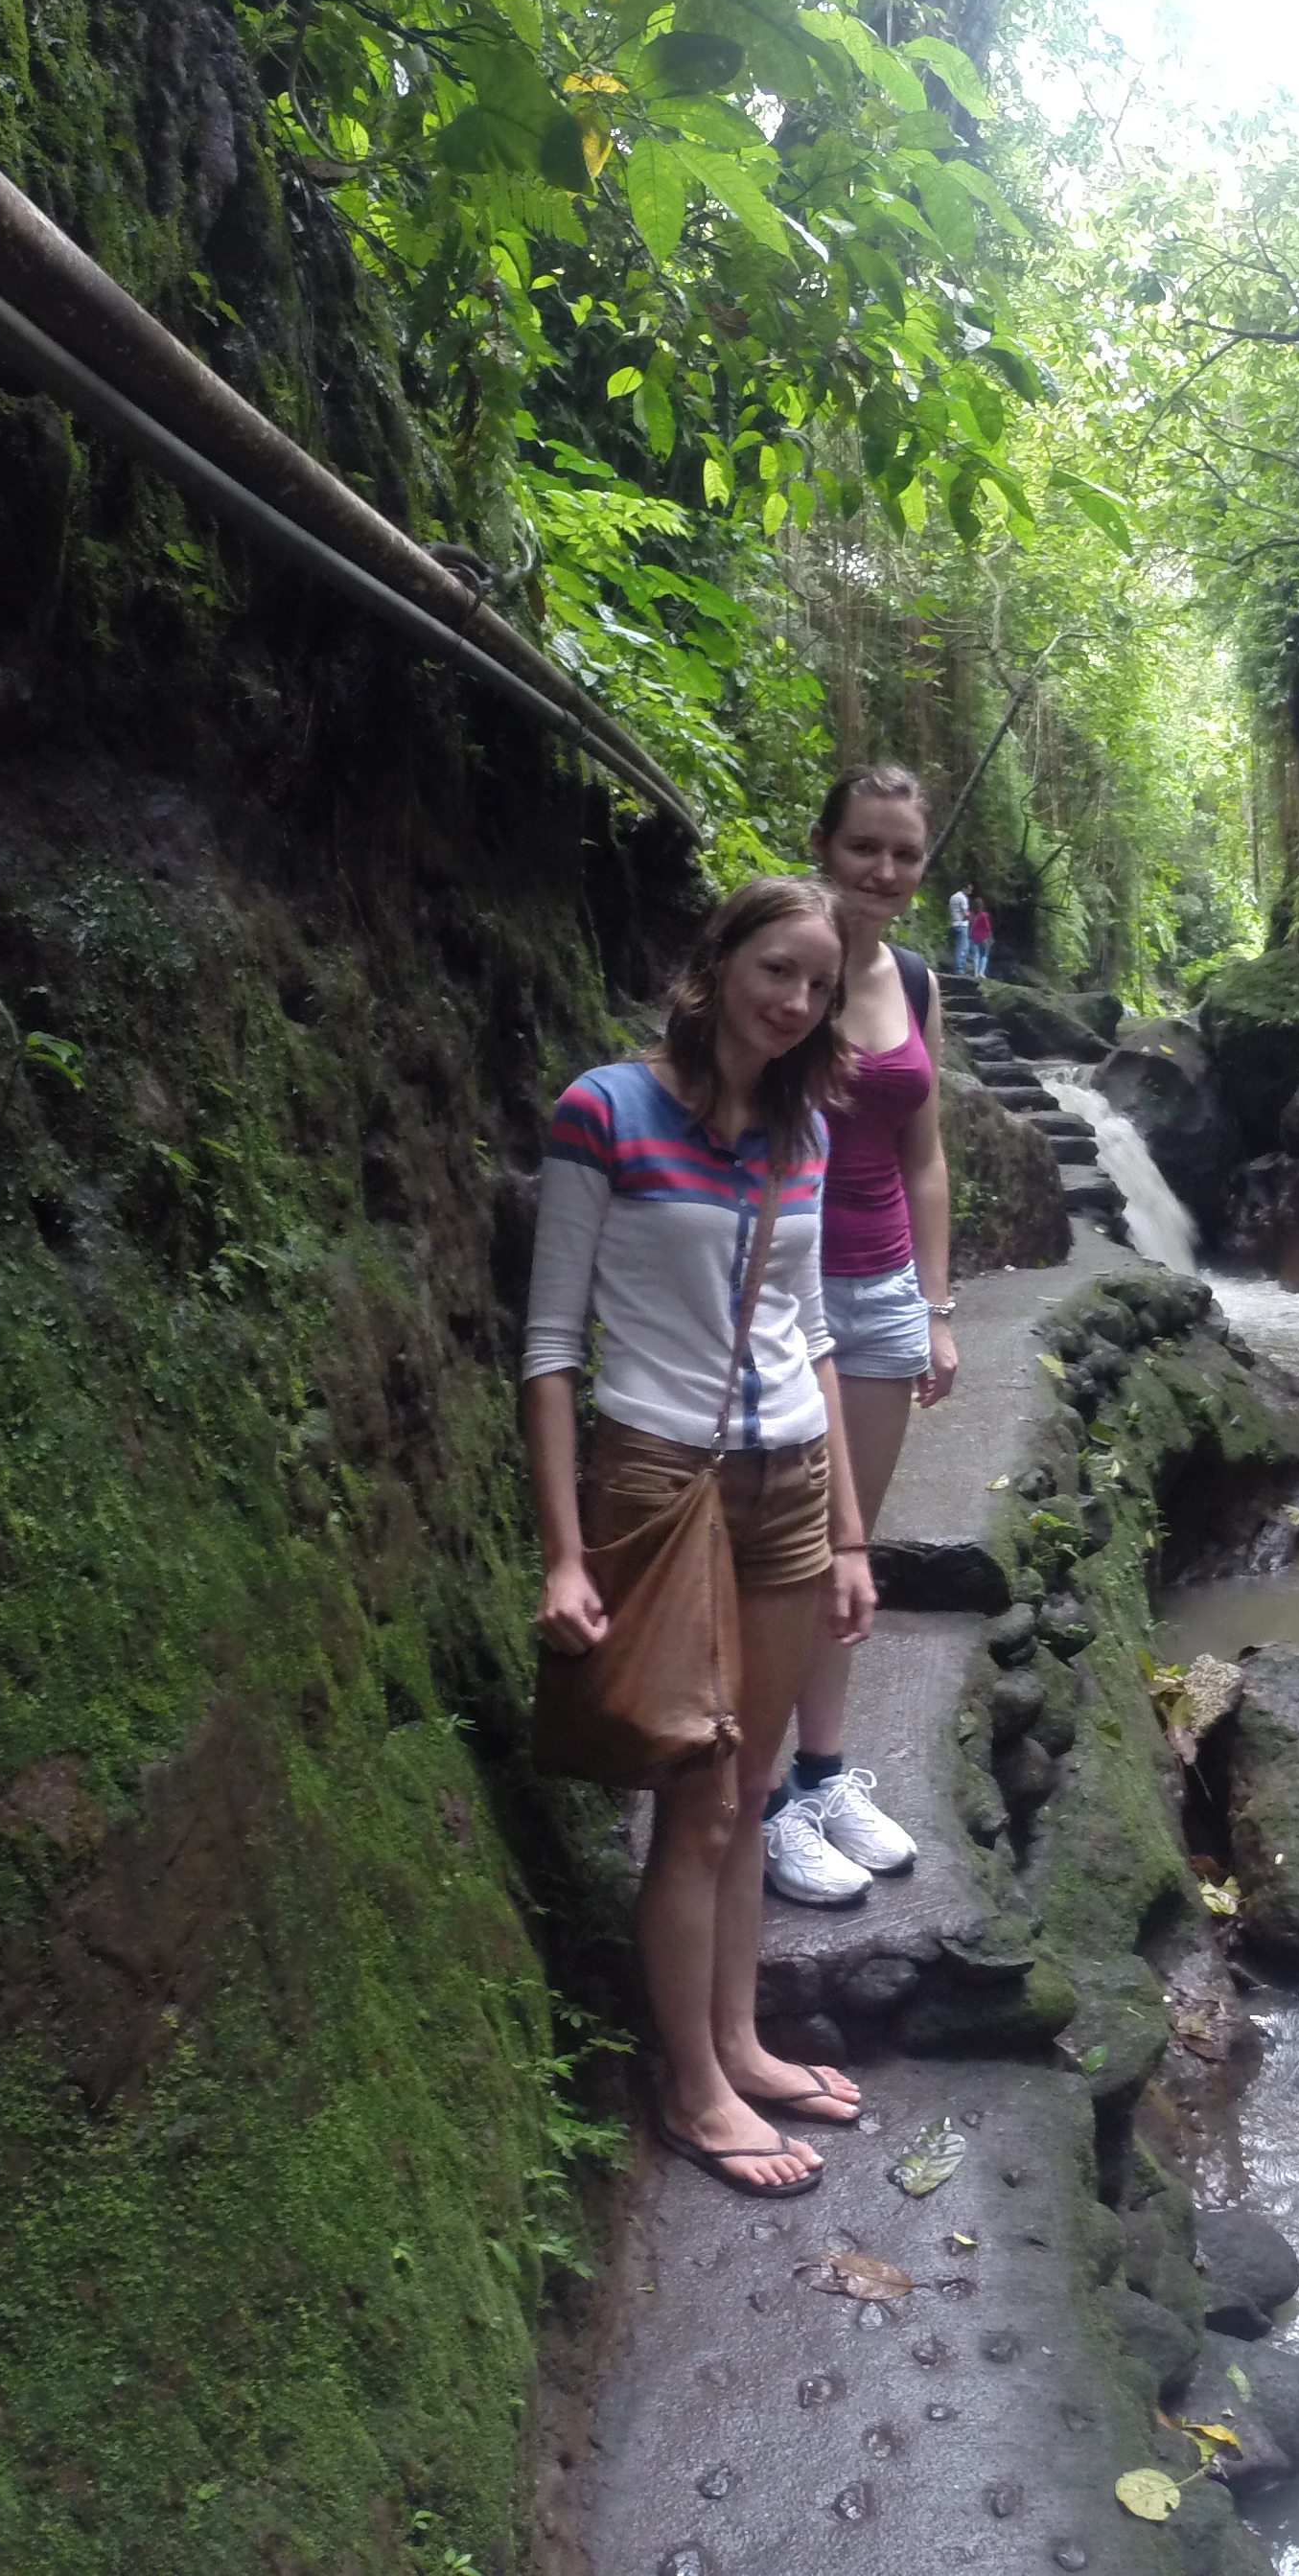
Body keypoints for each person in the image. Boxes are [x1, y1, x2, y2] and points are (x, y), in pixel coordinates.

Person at [520, 877, 878, 2197]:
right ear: (718, 960)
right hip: (659, 1481)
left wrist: (848, 1534)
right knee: (699, 1795)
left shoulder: (807, 1130)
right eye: (776, 971)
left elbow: (819, 1336)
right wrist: (565, 1553)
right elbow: (552, 1350)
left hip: (787, 1481)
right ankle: (693, 2089)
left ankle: (739, 2041)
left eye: (818, 988)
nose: (793, 1004)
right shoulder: (603, 1111)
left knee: (755, 1784)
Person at [760, 768, 955, 1904]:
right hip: (784, 1288)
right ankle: (771, 1807)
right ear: (824, 846)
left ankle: (824, 1777)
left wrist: (936, 1308)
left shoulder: (915, 978)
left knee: (847, 1553)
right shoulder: (789, 968)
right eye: (863, 848)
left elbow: (926, 1155)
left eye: (903, 854)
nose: (883, 872)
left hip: (882, 1289)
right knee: (780, 1552)